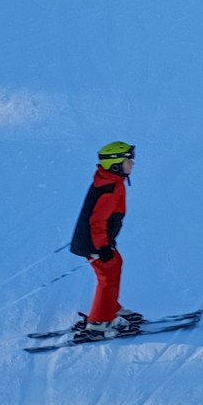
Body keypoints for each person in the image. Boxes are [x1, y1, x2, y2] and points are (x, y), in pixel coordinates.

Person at [68, 140, 140, 338]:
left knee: (114, 266)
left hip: (98, 240)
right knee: (108, 275)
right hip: (96, 243)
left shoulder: (111, 181)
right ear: (115, 165)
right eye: (128, 161)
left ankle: (108, 306)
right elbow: (97, 221)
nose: (132, 164)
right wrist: (102, 247)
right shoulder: (109, 188)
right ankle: (100, 321)